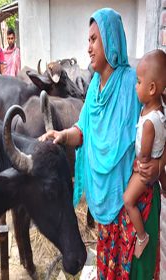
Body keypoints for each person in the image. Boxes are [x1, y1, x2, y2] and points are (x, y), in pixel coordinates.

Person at [39, 8, 161, 279]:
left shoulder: (133, 84)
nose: (89, 48)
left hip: (133, 206)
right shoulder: (94, 87)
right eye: (88, 40)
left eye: (95, 39)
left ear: (112, 39)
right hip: (105, 205)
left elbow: (161, 120)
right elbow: (82, 131)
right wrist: (60, 135)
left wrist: (160, 162)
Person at [124, 50, 166, 259]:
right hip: (158, 160)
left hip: (145, 171)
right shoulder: (155, 109)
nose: (135, 86)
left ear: (151, 88)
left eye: (138, 82)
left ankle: (142, 236)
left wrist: (137, 164)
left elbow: (145, 157)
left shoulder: (149, 122)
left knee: (128, 200)